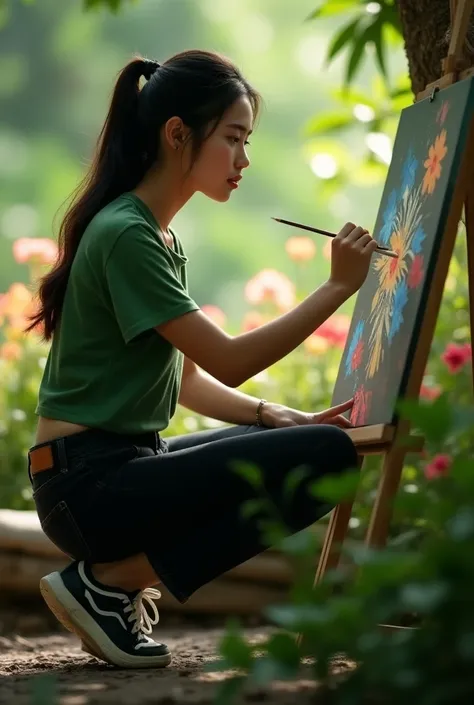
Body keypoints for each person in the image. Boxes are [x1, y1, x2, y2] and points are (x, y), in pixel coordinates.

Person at [25, 49, 377, 670]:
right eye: (233, 139)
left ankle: (112, 582)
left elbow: (186, 378)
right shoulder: (127, 234)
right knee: (326, 458)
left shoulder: (154, 234)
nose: (244, 160)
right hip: (87, 486)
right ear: (177, 134)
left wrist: (271, 415)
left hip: (111, 470)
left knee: (305, 449)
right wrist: (337, 288)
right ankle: (111, 583)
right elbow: (230, 360)